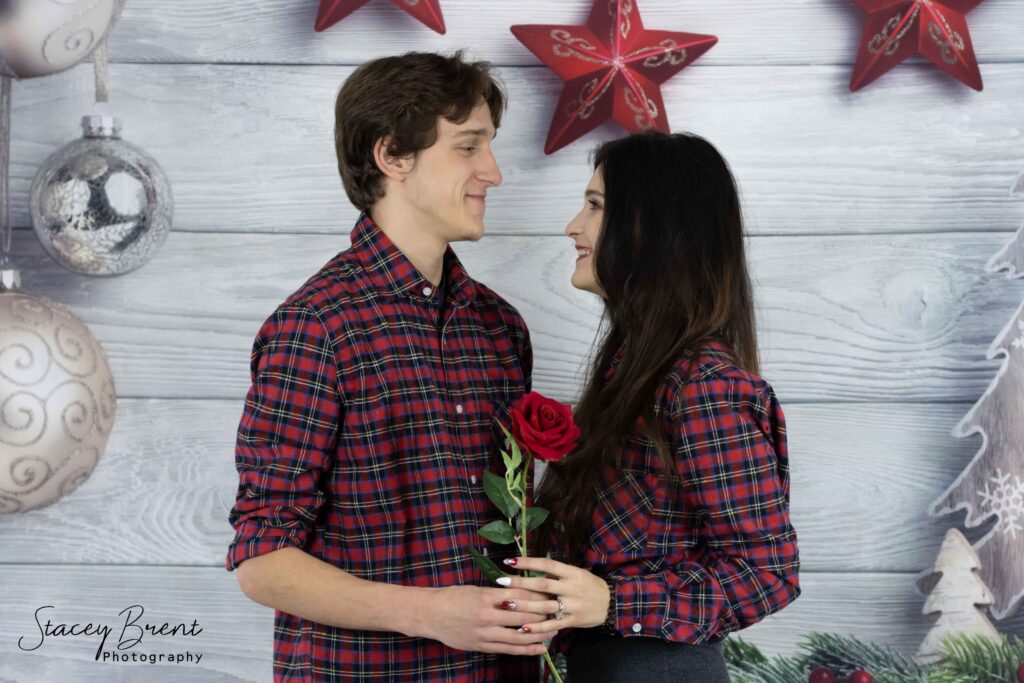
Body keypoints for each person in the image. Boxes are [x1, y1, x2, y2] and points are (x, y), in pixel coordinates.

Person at [225, 51, 550, 682]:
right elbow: (262, 560)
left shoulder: (501, 328)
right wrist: (432, 614)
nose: (494, 172)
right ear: (392, 156)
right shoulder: (314, 327)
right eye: (468, 146)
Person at [495, 132, 801, 682]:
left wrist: (613, 602)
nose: (573, 226)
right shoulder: (635, 371)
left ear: (652, 228)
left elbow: (769, 573)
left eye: (594, 207)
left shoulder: (705, 387)